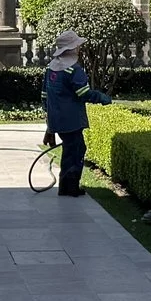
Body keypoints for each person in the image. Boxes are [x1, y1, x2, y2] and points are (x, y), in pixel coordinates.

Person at [40, 29, 111, 197]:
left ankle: (66, 186)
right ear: (71, 49)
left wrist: (50, 126)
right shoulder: (73, 70)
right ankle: (70, 187)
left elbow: (44, 96)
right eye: (77, 46)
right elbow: (84, 94)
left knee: (70, 149)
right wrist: (102, 97)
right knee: (76, 150)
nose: (79, 48)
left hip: (57, 119)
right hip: (71, 119)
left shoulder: (51, 69)